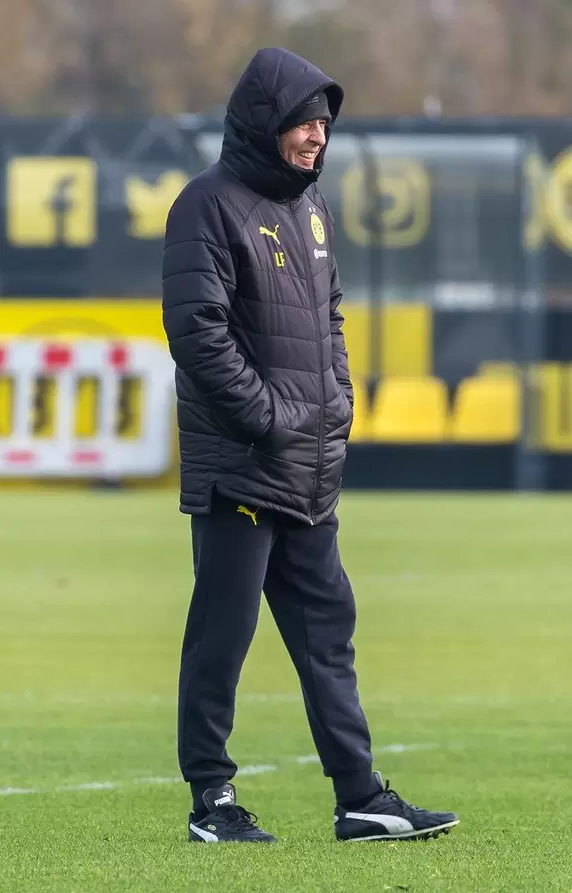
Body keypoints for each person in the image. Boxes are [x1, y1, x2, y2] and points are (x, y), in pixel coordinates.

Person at [162, 47, 459, 844]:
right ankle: (212, 802)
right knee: (224, 633)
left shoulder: (313, 208)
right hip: (243, 470)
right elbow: (197, 332)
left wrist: (335, 405)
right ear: (266, 124)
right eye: (304, 122)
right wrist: (267, 418)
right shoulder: (205, 206)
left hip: (308, 468)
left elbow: (329, 319)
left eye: (324, 125)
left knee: (330, 628)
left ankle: (359, 796)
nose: (317, 136)